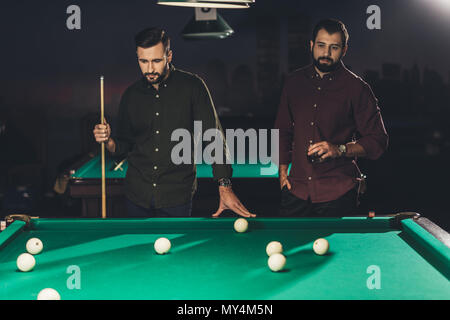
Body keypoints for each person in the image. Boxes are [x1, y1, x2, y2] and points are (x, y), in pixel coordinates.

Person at [93, 27, 255, 218]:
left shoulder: (193, 86)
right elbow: (123, 146)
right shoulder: (131, 95)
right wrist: (108, 141)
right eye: (143, 61)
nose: (150, 68)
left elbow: (213, 136)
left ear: (169, 56)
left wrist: (224, 185)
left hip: (177, 197)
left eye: (156, 61)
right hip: (136, 195)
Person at [274, 19, 388, 217]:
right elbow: (283, 130)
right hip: (295, 190)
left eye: (333, 47)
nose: (326, 53)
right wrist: (282, 172)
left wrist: (340, 149)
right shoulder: (293, 82)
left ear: (344, 50)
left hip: (338, 192)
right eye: (321, 46)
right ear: (311, 45)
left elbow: (378, 140)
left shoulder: (357, 88)